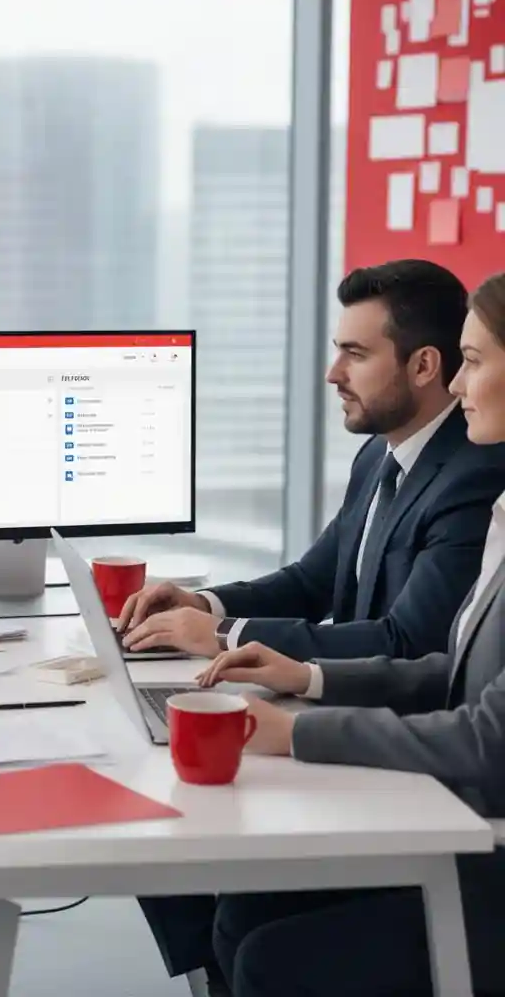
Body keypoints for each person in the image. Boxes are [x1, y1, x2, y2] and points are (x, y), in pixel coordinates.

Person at [131, 259, 505, 993]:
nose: (333, 372)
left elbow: (456, 696)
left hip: (471, 830)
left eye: (474, 362)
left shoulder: (475, 479)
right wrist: (256, 643)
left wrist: (294, 724)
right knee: (237, 904)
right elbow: (439, 660)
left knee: (272, 949)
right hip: (440, 783)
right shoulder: (388, 460)